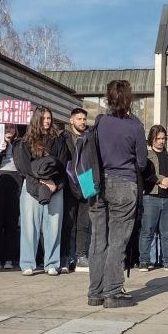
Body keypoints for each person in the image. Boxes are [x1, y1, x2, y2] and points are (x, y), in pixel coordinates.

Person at [88, 79, 147, 308]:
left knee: (98, 239)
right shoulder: (135, 126)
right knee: (117, 241)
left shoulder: (100, 122)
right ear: (129, 98)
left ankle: (95, 292)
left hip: (97, 184)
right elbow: (141, 162)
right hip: (124, 183)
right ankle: (113, 292)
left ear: (108, 98)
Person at [15, 107, 68, 276]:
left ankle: (52, 263)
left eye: (49, 118)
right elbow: (23, 165)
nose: (47, 121)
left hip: (54, 186)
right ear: (36, 119)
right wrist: (40, 180)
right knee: (29, 226)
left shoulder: (58, 140)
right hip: (31, 186)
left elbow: (63, 162)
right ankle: (27, 263)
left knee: (53, 226)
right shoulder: (26, 141)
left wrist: (53, 182)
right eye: (44, 118)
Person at [140, 125, 168, 270]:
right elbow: (145, 171)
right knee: (147, 231)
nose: (161, 141)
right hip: (151, 196)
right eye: (158, 139)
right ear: (152, 139)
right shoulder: (146, 154)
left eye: (163, 138)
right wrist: (160, 180)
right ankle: (144, 261)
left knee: (167, 232)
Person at [0, 122, 21, 270]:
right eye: (6, 127)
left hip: (16, 180)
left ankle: (9, 259)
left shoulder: (20, 143)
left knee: (12, 223)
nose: (9, 130)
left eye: (12, 127)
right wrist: (0, 151)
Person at [62, 108, 92, 271]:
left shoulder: (90, 137)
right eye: (79, 118)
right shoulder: (63, 137)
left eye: (84, 119)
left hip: (86, 180)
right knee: (68, 222)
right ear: (71, 120)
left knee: (84, 222)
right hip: (69, 181)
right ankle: (66, 257)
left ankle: (81, 255)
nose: (82, 121)